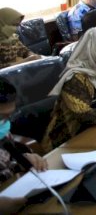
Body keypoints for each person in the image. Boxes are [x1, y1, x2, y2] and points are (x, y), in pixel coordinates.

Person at [0, 78, 49, 213]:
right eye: (1, 116)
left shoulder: (3, 131)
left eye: (9, 116)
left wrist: (24, 159)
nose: (5, 122)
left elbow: (7, 159)